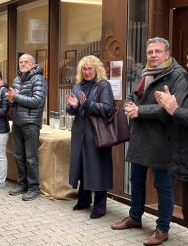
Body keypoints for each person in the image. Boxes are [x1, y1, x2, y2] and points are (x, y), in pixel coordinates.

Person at [111, 37, 186, 246]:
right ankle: (135, 217)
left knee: (162, 186)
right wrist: (128, 104)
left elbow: (172, 108)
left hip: (163, 138)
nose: (153, 55)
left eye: (157, 51)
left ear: (167, 54)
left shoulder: (178, 75)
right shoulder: (142, 72)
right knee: (136, 181)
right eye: (150, 51)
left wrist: (139, 110)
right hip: (140, 135)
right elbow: (132, 95)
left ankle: (163, 229)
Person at [66, 55, 114, 219]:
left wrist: (87, 104)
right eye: (84, 69)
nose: (87, 72)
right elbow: (72, 109)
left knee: (97, 168)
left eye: (90, 69)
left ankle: (100, 206)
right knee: (82, 166)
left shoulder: (103, 85)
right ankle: (84, 200)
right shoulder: (78, 85)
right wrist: (73, 107)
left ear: (97, 69)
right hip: (80, 132)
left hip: (96, 133)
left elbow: (108, 108)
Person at [6, 53, 47, 201]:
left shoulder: (39, 79)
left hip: (31, 123)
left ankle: (34, 187)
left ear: (33, 64)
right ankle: (22, 183)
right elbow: (14, 102)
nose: (22, 64)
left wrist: (16, 97)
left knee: (31, 158)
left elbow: (37, 101)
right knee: (18, 155)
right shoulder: (17, 79)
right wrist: (10, 99)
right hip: (17, 122)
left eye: (26, 62)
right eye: (21, 62)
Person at [156, 80, 188, 228]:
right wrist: (164, 107)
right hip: (183, 160)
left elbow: (177, 112)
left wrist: (175, 110)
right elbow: (170, 118)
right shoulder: (183, 83)